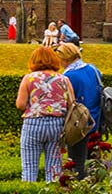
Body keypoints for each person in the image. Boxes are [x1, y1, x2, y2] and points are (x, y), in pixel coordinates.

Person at [15, 45, 71, 182]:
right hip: (57, 125)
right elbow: (71, 103)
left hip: (33, 124)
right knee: (54, 169)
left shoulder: (29, 79)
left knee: (29, 168)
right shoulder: (63, 79)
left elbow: (20, 104)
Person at [59, 42, 103, 179]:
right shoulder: (93, 69)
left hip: (78, 123)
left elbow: (67, 101)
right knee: (94, 160)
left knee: (77, 162)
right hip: (96, 119)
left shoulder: (69, 76)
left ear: (65, 58)